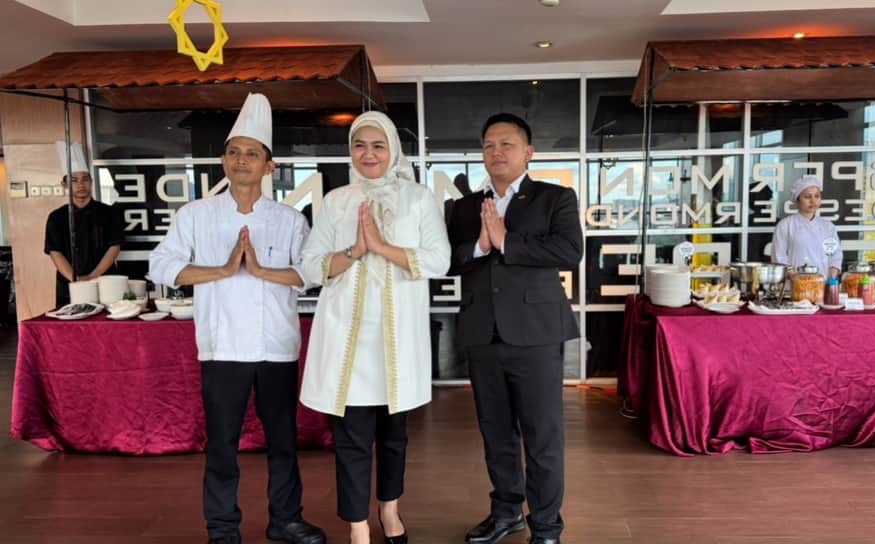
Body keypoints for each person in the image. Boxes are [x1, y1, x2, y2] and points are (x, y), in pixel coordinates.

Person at [148, 93, 326, 544]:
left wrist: (262, 271)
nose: (241, 160)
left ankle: (286, 520)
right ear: (223, 161)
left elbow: (310, 274)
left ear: (269, 166)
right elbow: (161, 266)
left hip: (276, 348)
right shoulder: (195, 215)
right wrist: (223, 270)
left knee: (283, 441)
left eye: (252, 153)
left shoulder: (289, 220)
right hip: (222, 347)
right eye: (234, 152)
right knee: (222, 444)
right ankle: (223, 528)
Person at [299, 111, 450, 544]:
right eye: (359, 145)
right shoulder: (336, 201)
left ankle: (389, 509)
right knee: (351, 438)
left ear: (393, 150)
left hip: (397, 339)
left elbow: (439, 260)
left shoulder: (418, 199)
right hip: (347, 338)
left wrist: (382, 246)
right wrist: (355, 251)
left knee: (394, 435)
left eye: (378, 145)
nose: (368, 154)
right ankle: (358, 525)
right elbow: (310, 266)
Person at [447, 113, 582, 544]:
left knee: (542, 436)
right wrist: (479, 245)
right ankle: (506, 513)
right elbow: (448, 262)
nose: (496, 152)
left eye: (506, 144)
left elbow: (569, 251)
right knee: (495, 432)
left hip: (536, 334)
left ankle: (546, 525)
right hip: (482, 333)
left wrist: (505, 241)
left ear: (528, 153)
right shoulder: (463, 207)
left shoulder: (555, 198)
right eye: (489, 145)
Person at [44, 141, 124, 306]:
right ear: (65, 185)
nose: (81, 184)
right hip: (70, 285)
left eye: (85, 179)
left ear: (91, 182)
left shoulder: (109, 213)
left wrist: (93, 276)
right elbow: (55, 252)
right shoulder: (56, 217)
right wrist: (76, 279)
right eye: (74, 180)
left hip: (105, 282)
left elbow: (114, 247)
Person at [771, 175, 843, 279]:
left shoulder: (828, 227)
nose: (813, 201)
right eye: (807, 197)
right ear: (797, 200)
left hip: (821, 284)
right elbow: (779, 257)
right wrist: (795, 277)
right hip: (794, 284)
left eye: (817, 196)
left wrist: (831, 277)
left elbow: (835, 256)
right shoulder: (785, 225)